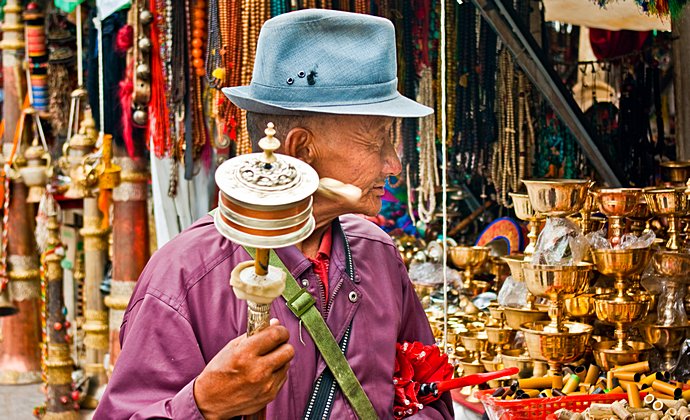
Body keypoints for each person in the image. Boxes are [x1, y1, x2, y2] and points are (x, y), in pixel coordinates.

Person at [95, 9, 454, 419]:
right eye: (376, 141)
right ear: (301, 149)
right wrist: (201, 405)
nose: (393, 164)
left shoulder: (376, 252)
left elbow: (429, 393)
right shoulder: (185, 276)